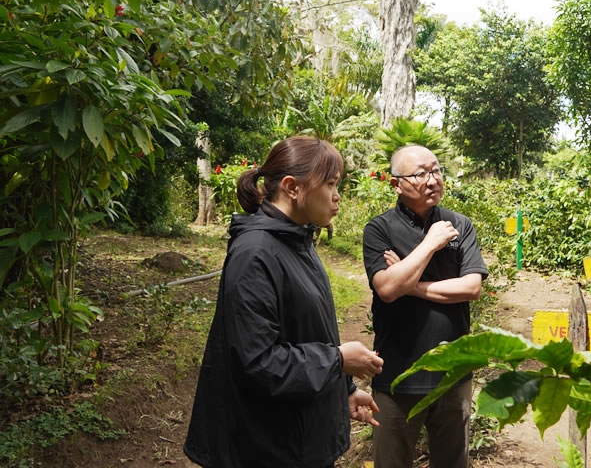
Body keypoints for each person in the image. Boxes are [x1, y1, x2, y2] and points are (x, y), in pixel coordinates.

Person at [184, 136, 384, 468]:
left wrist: (344, 389)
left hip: (299, 431)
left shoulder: (296, 239)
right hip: (269, 445)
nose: (337, 197)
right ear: (292, 187)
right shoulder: (256, 253)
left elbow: (306, 330)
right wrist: (336, 360)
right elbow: (258, 362)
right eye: (331, 184)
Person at [362, 145, 488, 468]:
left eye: (436, 170)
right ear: (396, 184)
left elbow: (471, 287)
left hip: (453, 374)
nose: (433, 180)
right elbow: (388, 289)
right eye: (421, 174)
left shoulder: (460, 225)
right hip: (397, 375)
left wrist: (411, 283)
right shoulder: (379, 229)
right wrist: (431, 243)